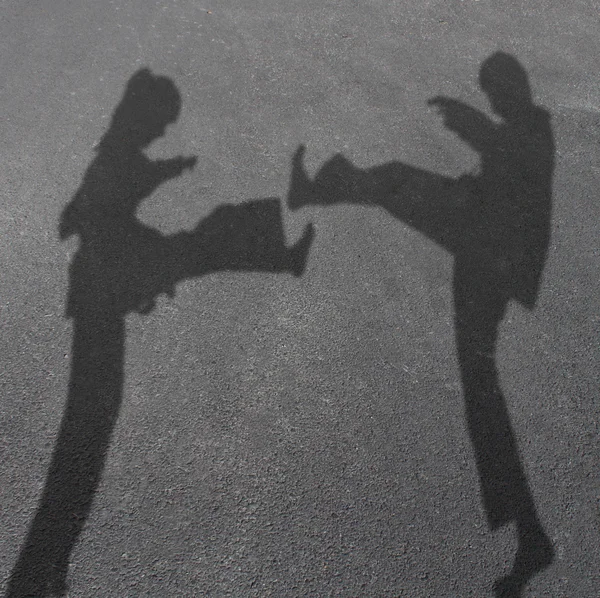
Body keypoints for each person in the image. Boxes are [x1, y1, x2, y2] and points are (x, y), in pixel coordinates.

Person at [8, 68, 313, 597]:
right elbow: (104, 209)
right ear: (145, 116)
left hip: (105, 285)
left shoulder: (118, 149)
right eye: (163, 122)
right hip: (106, 287)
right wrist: (138, 259)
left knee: (194, 252)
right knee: (92, 418)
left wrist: (163, 175)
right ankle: (40, 574)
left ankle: (277, 253)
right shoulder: (117, 155)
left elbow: (101, 198)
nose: (164, 130)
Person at [288, 52, 554, 596]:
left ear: (513, 89)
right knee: (480, 387)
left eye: (497, 90)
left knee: (481, 389)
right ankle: (529, 534)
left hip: (489, 252)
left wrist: (472, 124)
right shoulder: (521, 127)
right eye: (491, 92)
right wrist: (475, 129)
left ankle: (531, 535)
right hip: (480, 236)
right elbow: (504, 154)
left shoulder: (532, 130)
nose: (495, 100)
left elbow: (515, 155)